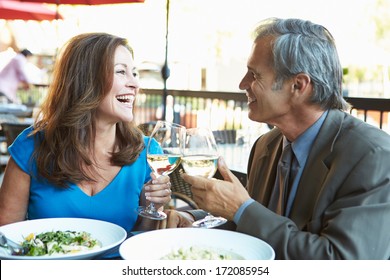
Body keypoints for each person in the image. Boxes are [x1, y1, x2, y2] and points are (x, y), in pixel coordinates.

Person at [159, 18, 390, 260]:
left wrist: (242, 209)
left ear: (298, 86)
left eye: (254, 74)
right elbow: (254, 227)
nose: (242, 84)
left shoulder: (373, 157)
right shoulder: (265, 146)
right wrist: (193, 220)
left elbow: (340, 263)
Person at [0, 33, 172, 234]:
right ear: (86, 80)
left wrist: (156, 207)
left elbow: (145, 240)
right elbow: (6, 236)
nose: (134, 84)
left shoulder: (151, 152)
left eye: (134, 73)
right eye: (121, 72)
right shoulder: (30, 145)